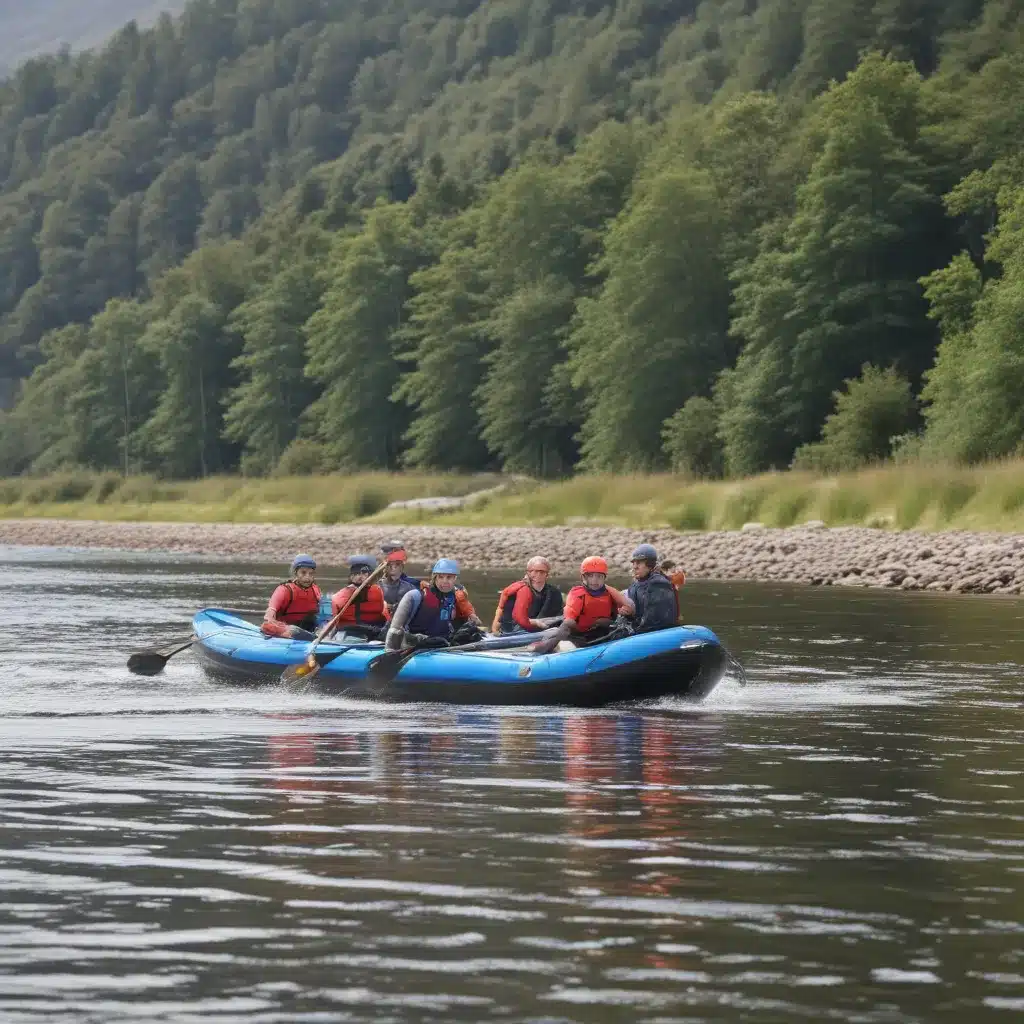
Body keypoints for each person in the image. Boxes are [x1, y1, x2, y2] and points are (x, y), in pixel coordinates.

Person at [531, 556, 634, 653]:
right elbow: (570, 617)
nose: (595, 580)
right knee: (568, 623)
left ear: (604, 578)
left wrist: (625, 611)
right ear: (583, 577)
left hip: (602, 633)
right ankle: (546, 647)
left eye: (599, 576)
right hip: (579, 635)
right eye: (590, 576)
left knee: (604, 621)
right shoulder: (578, 594)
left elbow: (629, 607)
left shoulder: (609, 592)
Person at [385, 558, 482, 651]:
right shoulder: (415, 596)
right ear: (434, 578)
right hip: (414, 647)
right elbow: (394, 631)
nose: (445, 581)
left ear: (455, 579)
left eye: (449, 577)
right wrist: (418, 640)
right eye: (441, 577)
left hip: (442, 646)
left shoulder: (456, 599)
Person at [491, 556, 564, 635]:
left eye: (542, 572)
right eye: (534, 571)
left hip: (544, 626)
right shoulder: (520, 589)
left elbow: (559, 614)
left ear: (547, 574)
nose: (538, 574)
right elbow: (502, 609)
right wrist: (495, 630)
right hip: (514, 628)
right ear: (528, 572)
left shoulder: (554, 592)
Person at [262, 553, 322, 639]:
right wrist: (271, 622)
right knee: (295, 630)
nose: (307, 578)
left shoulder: (316, 590)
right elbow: (271, 611)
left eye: (311, 573)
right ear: (295, 573)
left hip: (308, 629)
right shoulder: (284, 590)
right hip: (286, 630)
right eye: (303, 573)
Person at [624, 543, 681, 633]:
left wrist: (632, 631)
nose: (635, 567)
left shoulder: (659, 584)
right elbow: (637, 615)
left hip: (657, 633)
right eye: (633, 563)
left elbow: (653, 621)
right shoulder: (634, 586)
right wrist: (628, 614)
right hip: (641, 629)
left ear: (650, 564)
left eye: (638, 563)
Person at [328, 554, 387, 636]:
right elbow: (335, 622)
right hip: (351, 632)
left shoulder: (377, 591)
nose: (360, 577)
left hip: (374, 630)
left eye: (364, 574)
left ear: (370, 575)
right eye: (356, 574)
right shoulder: (340, 596)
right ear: (351, 577)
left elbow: (383, 615)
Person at [379, 546, 419, 612]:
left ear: (402, 567)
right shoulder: (377, 587)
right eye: (390, 565)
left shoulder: (410, 588)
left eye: (397, 564)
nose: (393, 568)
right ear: (385, 567)